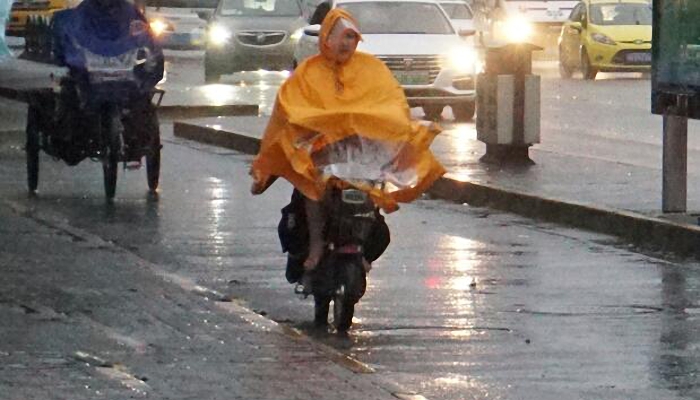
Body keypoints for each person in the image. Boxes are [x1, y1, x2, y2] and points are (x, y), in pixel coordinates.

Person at [250, 8, 445, 287]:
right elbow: (290, 109)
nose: (344, 43)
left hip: (362, 158)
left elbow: (390, 104)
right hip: (323, 156)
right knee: (312, 188)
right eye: (338, 36)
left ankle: (363, 248)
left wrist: (393, 128)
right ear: (326, 39)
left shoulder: (372, 69)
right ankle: (317, 245)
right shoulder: (308, 72)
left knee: (372, 205)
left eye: (351, 37)